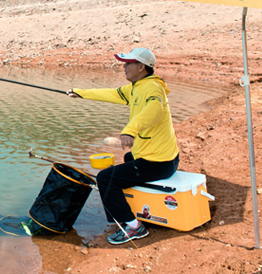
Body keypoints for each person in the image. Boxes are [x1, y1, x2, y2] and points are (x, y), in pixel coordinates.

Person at [67, 47, 179, 245]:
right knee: (127, 161)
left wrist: (130, 130)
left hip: (159, 161)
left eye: (127, 64)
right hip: (157, 157)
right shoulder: (137, 87)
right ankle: (137, 207)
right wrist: (80, 93)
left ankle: (134, 227)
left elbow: (154, 110)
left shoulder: (153, 88)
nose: (124, 67)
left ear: (141, 66)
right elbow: (111, 94)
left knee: (105, 179)